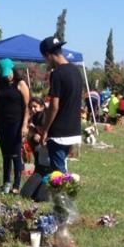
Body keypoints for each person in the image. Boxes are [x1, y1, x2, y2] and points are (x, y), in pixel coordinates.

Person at [37, 36, 82, 172]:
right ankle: (60, 192)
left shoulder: (57, 74)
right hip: (74, 128)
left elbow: (54, 106)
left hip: (59, 132)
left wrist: (45, 129)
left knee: (58, 173)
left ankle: (63, 193)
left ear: (48, 55)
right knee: (61, 167)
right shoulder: (76, 71)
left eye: (45, 58)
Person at [0, 58, 30, 194]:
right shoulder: (1, 84)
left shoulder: (21, 84)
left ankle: (16, 185)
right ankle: (6, 182)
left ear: (13, 70)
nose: (7, 76)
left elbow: (27, 107)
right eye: (4, 74)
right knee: (5, 155)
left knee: (15, 154)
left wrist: (25, 125)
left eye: (8, 73)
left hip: (16, 123)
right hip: (2, 123)